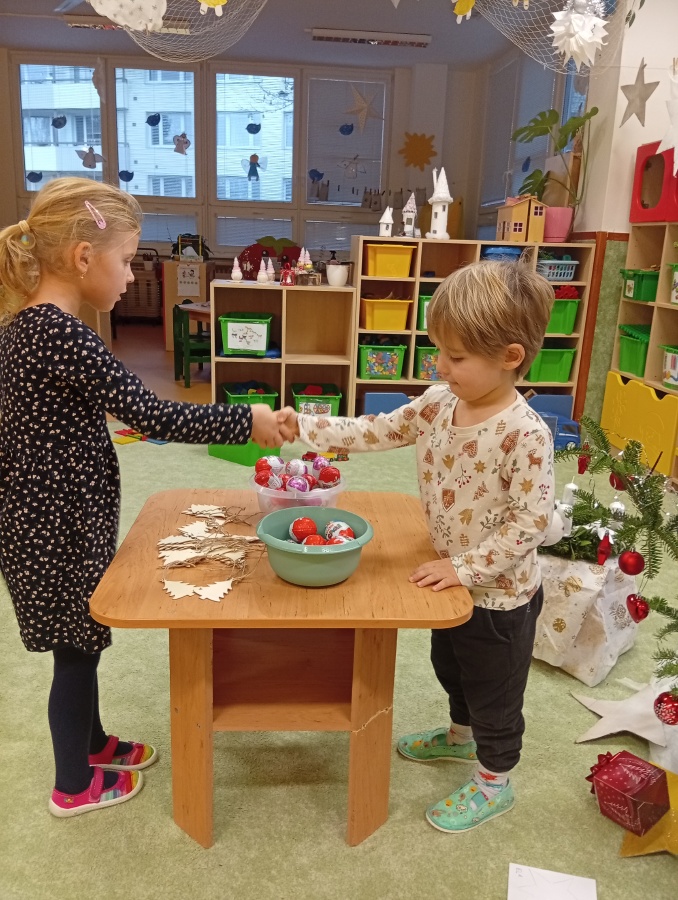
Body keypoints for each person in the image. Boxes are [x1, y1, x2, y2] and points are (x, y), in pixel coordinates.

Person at [0, 177, 286, 818]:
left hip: (49, 518)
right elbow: (156, 415)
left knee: (83, 638)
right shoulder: (61, 335)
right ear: (83, 257)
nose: (132, 276)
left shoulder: (25, 328)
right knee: (75, 653)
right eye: (127, 261)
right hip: (54, 527)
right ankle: (73, 784)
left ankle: (93, 742)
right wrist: (248, 420)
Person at [278, 260, 555, 833]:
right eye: (439, 351)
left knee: (495, 694)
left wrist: (465, 567)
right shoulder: (437, 402)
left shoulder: (526, 433)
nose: (441, 366)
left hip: (501, 596)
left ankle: (494, 781)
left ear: (510, 356)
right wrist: (304, 427)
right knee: (450, 667)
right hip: (449, 578)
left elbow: (531, 522)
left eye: (457, 356)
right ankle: (459, 737)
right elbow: (375, 430)